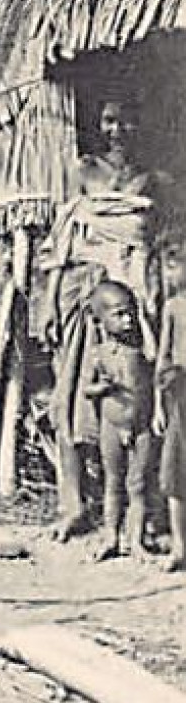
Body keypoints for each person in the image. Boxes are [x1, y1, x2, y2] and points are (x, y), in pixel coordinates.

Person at [43, 99, 171, 540]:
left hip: (130, 304)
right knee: (70, 398)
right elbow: (63, 240)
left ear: (140, 124)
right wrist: (48, 304)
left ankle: (143, 514)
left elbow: (157, 247)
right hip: (84, 298)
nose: (117, 129)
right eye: (109, 120)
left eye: (126, 120)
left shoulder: (154, 181)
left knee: (137, 402)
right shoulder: (84, 171)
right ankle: (74, 505)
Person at [81, 280, 157, 561]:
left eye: (130, 313)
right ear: (101, 319)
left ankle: (135, 541)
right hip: (111, 426)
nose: (127, 320)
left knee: (137, 484)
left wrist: (145, 322)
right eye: (118, 314)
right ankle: (110, 536)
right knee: (113, 482)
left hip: (141, 424)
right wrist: (104, 388)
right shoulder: (99, 354)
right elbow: (86, 390)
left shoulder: (140, 349)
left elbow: (154, 356)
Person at [154, 245, 186, 572]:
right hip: (179, 395)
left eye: (174, 268)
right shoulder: (172, 307)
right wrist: (157, 407)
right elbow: (164, 356)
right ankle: (179, 545)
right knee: (174, 470)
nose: (169, 275)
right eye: (167, 269)